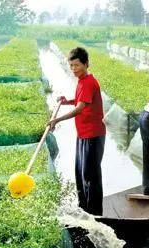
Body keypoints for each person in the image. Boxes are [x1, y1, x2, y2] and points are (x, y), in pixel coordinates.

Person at [47, 47, 106, 216]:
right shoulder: (82, 81)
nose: (73, 69)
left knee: (90, 175)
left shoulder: (89, 82)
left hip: (93, 134)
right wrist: (66, 101)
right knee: (80, 173)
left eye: (76, 65)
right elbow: (81, 101)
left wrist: (57, 119)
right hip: (83, 134)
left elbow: (80, 108)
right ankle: (84, 209)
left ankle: (95, 214)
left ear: (86, 64)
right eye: (71, 66)